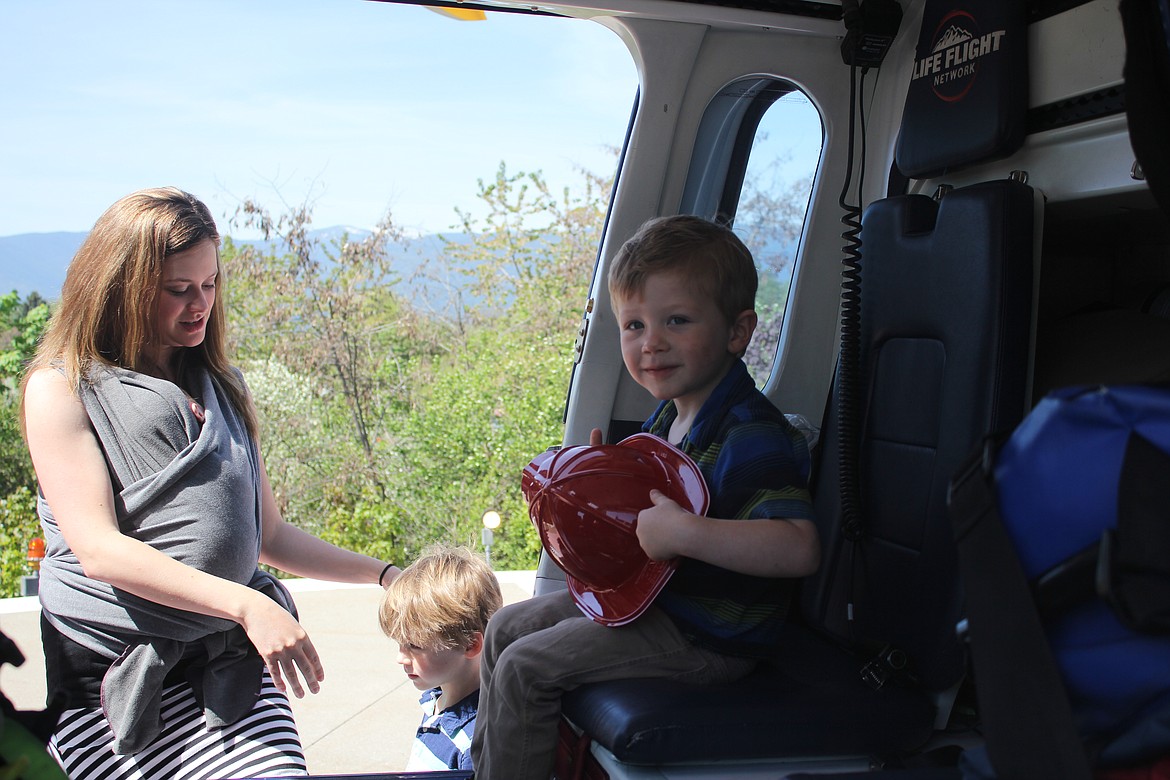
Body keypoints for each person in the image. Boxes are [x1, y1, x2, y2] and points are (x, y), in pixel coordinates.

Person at [20, 187, 402, 780]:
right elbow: (97, 549)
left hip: (227, 670)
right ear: (123, 287)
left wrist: (385, 575)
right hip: (112, 680)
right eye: (178, 289)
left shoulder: (226, 386)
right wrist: (247, 605)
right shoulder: (61, 388)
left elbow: (268, 534)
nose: (200, 303)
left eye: (210, 283)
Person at [471, 214, 821, 780]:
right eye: (633, 325)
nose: (650, 343)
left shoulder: (749, 433)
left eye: (676, 321)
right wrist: (601, 477)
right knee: (503, 629)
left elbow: (799, 547)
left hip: (709, 633)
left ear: (737, 332)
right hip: (662, 604)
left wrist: (685, 531)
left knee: (524, 668)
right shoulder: (668, 417)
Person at [378, 545, 503, 772]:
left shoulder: (474, 744)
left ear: (470, 644)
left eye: (414, 646)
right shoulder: (436, 699)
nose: (400, 658)